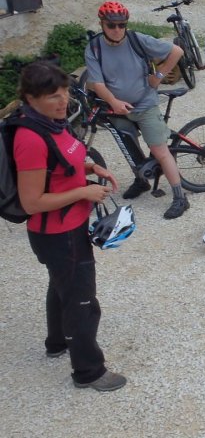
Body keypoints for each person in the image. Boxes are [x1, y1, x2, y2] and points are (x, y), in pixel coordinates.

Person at [13, 61, 126, 392]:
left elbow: (61, 164)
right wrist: (84, 191)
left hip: (68, 227)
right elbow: (32, 201)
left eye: (64, 92)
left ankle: (57, 342)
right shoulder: (30, 137)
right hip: (57, 234)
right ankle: (88, 371)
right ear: (31, 98)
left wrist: (91, 167)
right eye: (52, 96)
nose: (63, 101)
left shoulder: (52, 123)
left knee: (60, 285)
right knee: (82, 301)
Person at [84, 1, 189, 219]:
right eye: (111, 25)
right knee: (128, 145)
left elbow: (176, 51)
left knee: (160, 150)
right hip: (117, 108)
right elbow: (98, 83)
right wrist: (113, 102)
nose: (117, 30)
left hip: (144, 103)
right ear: (101, 23)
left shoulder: (135, 39)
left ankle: (180, 197)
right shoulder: (94, 47)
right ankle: (141, 180)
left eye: (122, 25)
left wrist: (158, 76)